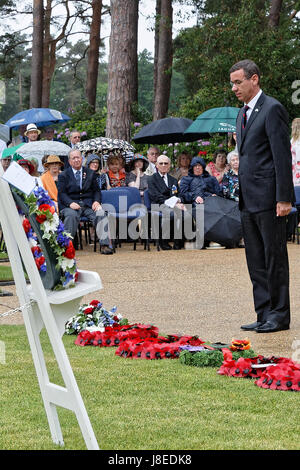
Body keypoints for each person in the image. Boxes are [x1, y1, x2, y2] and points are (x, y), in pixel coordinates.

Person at [230, 58, 294, 333]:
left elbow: (281, 157)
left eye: (238, 82)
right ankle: (264, 312)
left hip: (270, 199)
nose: (234, 88)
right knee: (255, 258)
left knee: (274, 257)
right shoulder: (241, 114)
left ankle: (279, 314)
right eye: (232, 83)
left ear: (254, 79)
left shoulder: (273, 109)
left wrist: (284, 198)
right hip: (248, 198)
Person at [57, 149, 113, 255]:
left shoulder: (90, 173)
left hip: (88, 205)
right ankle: (66, 247)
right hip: (70, 206)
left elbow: (96, 191)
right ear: (69, 161)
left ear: (82, 159)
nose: (76, 160)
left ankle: (105, 245)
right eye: (74, 158)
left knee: (101, 213)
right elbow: (61, 193)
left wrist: (96, 201)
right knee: (71, 216)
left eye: (78, 157)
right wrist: (70, 203)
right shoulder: (63, 175)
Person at [147, 155, 192, 250]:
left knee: (186, 212)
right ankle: (164, 241)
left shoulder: (173, 180)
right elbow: (155, 196)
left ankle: (178, 241)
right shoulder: (151, 179)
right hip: (158, 204)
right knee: (171, 213)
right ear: (156, 165)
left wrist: (179, 201)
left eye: (166, 163)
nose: (163, 165)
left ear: (169, 165)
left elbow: (178, 194)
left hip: (173, 204)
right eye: (161, 163)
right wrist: (173, 203)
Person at [291, 118, 300, 187]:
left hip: (297, 179)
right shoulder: (293, 140)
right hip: (294, 178)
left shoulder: (295, 142)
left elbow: (298, 160)